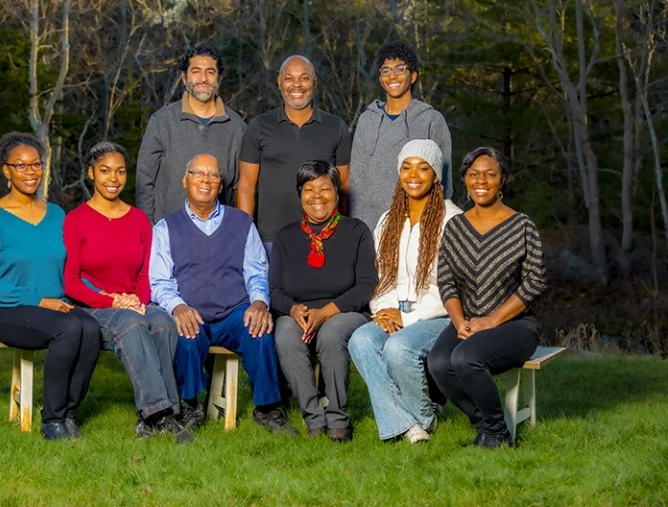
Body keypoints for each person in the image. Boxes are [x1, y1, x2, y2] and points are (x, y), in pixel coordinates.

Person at [149, 153, 297, 434]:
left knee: (259, 329)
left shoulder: (241, 223)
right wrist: (178, 307)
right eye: (198, 173)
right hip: (192, 311)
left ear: (220, 184)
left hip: (234, 311)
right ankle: (189, 405)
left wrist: (258, 302)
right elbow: (160, 281)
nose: (206, 180)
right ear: (185, 180)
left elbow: (256, 271)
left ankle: (268, 409)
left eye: (213, 175)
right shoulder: (166, 227)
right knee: (187, 335)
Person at [0, 132, 101, 440]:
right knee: (69, 329)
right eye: (21, 165)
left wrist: (103, 296)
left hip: (58, 305)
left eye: (36, 164)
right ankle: (52, 421)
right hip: (7, 311)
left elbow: (72, 269)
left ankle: (69, 414)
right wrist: (39, 300)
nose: (30, 172)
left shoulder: (56, 214)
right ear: (6, 170)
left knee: (91, 328)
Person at [63, 141, 192, 443]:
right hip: (93, 306)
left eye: (120, 171)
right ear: (91, 173)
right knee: (131, 325)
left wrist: (139, 300)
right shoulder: (76, 220)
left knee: (162, 322)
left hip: (134, 303)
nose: (113, 179)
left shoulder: (138, 220)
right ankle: (159, 415)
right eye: (105, 171)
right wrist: (111, 301)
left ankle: (159, 417)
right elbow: (71, 282)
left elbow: (146, 272)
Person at [427, 147, 547, 449]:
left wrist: (492, 320)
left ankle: (495, 434)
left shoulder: (522, 225)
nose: (481, 180)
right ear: (465, 181)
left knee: (466, 358)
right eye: (473, 175)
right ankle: (488, 425)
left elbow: (535, 282)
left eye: (490, 174)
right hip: (468, 320)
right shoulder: (455, 227)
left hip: (515, 326)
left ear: (502, 180)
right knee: (440, 362)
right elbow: (446, 281)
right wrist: (458, 322)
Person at [348, 140, 462, 444]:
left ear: (436, 176)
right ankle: (410, 424)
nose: (414, 174)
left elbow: (453, 286)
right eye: (407, 167)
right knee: (360, 340)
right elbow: (381, 275)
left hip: (437, 315)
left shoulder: (452, 220)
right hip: (392, 308)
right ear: (399, 173)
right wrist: (383, 309)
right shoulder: (389, 220)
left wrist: (408, 318)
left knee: (399, 348)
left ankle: (421, 418)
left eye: (424, 168)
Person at [270, 160, 378, 442]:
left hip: (345, 310)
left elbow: (366, 286)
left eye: (324, 188)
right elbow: (274, 290)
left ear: (336, 193)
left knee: (331, 334)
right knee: (284, 334)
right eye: (308, 189)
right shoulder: (285, 237)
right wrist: (293, 309)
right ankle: (314, 417)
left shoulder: (357, 231)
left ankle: (338, 417)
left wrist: (326, 312)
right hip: (299, 313)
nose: (316, 196)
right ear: (300, 194)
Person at [238, 55, 351, 254]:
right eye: (289, 78)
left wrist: (341, 232)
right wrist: (246, 235)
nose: (296, 85)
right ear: (279, 82)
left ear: (314, 82)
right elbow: (246, 185)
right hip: (270, 240)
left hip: (322, 238)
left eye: (304, 78)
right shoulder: (259, 126)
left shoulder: (336, 127)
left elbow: (344, 186)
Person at [136, 43, 246, 225]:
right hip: (168, 234)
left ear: (219, 78)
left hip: (219, 234)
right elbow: (144, 182)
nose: (203, 78)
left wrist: (236, 230)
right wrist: (149, 231)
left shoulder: (237, 127)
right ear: (184, 78)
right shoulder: (162, 122)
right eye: (196, 71)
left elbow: (239, 187)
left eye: (210, 72)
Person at [349, 42, 453, 230]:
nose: (393, 76)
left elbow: (445, 184)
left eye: (400, 69)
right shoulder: (367, 119)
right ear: (381, 79)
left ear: (413, 76)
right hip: (367, 228)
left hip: (415, 228)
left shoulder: (431, 120)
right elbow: (356, 180)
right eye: (386, 71)